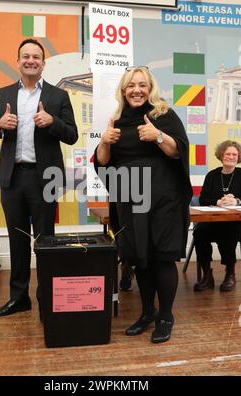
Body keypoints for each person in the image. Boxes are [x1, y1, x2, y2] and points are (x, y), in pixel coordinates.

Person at [94, 66, 192, 343]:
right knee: (140, 258)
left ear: (150, 89)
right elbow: (102, 162)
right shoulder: (117, 120)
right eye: (131, 85)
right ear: (123, 90)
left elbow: (180, 150)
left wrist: (158, 136)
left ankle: (166, 316)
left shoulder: (163, 115)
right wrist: (105, 143)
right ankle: (147, 312)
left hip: (164, 200)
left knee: (162, 257)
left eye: (142, 85)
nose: (137, 90)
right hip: (130, 199)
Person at [0, 39, 78, 317]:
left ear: (43, 63)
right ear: (18, 61)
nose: (31, 60)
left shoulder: (58, 96)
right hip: (12, 178)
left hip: (44, 178)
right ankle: (19, 298)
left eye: (36, 56)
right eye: (26, 56)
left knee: (45, 240)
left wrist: (53, 122)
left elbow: (72, 135)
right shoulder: (3, 94)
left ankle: (47, 298)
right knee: (17, 239)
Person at [193, 140, 241, 292]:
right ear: (221, 155)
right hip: (213, 219)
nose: (231, 157)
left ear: (239, 157)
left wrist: (235, 201)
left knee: (229, 231)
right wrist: (219, 201)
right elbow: (203, 199)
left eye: (234, 154)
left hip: (236, 222)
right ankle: (207, 275)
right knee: (199, 232)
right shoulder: (212, 175)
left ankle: (230, 273)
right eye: (228, 153)